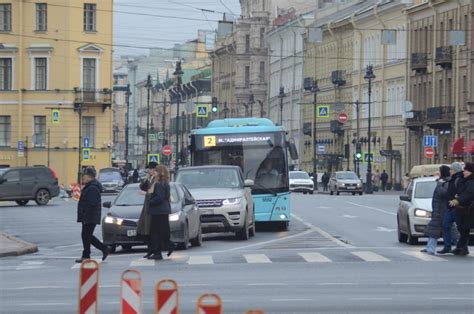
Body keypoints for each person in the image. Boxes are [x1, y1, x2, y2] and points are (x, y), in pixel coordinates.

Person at [76, 167, 110, 263]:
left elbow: (92, 203)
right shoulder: (90, 186)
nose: (83, 178)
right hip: (89, 216)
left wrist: (85, 215)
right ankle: (97, 251)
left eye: (84, 176)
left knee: (86, 235)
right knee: (86, 235)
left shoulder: (92, 188)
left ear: (88, 176)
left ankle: (93, 253)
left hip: (90, 216)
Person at [147, 165, 175, 260]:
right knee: (161, 231)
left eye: (156, 171)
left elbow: (159, 198)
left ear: (160, 173)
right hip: (163, 210)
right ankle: (166, 246)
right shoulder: (165, 183)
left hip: (158, 211)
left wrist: (149, 202)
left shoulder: (159, 184)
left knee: (154, 232)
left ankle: (158, 252)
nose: (153, 172)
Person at [421, 165, 451, 255]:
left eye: (440, 171)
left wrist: (439, 183)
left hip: (442, 210)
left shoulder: (446, 182)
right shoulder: (443, 181)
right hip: (438, 209)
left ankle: (430, 249)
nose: (438, 172)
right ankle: (430, 247)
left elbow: (444, 193)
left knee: (436, 229)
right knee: (434, 229)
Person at [448, 162, 474, 256]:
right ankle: (460, 247)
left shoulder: (471, 181)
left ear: (470, 171)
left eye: (466, 171)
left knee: (464, 229)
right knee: (464, 229)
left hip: (469, 209)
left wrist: (457, 200)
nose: (464, 172)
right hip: (465, 210)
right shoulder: (465, 180)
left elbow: (469, 193)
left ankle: (460, 247)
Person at [438, 162, 463, 254]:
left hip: (457, 207)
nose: (450, 171)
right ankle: (447, 246)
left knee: (460, 228)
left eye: (451, 169)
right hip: (450, 207)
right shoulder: (452, 179)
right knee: (445, 226)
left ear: (455, 170)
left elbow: (461, 192)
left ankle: (460, 246)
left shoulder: (459, 179)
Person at [136, 163, 157, 258]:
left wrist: (145, 194)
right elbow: (142, 187)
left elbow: (154, 194)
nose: (149, 171)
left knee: (150, 231)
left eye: (150, 169)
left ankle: (154, 250)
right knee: (144, 230)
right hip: (147, 207)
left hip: (152, 207)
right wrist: (146, 179)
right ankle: (150, 249)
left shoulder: (157, 180)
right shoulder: (150, 179)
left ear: (154, 170)